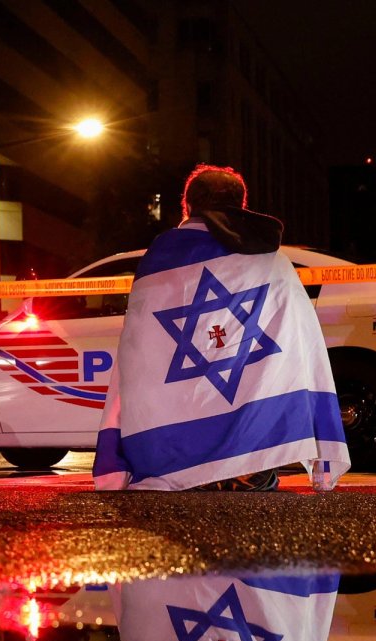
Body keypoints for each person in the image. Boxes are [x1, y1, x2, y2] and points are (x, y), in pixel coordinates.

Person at [92, 165, 350, 492]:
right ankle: (245, 469)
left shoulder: (161, 256)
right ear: (242, 205)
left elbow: (136, 354)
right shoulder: (271, 259)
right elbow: (303, 347)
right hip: (252, 454)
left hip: (174, 458)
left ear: (188, 206)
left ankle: (196, 469)